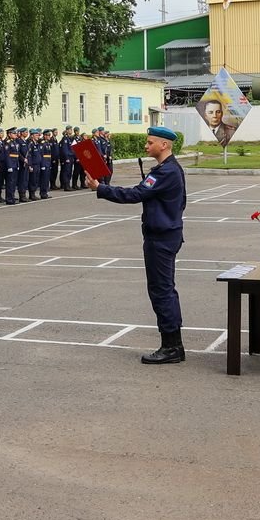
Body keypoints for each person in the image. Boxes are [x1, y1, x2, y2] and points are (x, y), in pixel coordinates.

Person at [88, 125, 187, 365]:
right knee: (164, 290)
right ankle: (173, 343)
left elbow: (135, 194)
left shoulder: (167, 172)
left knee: (162, 291)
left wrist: (101, 188)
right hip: (164, 235)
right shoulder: (167, 169)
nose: (146, 145)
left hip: (161, 238)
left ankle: (172, 346)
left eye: (150, 142)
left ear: (164, 145)